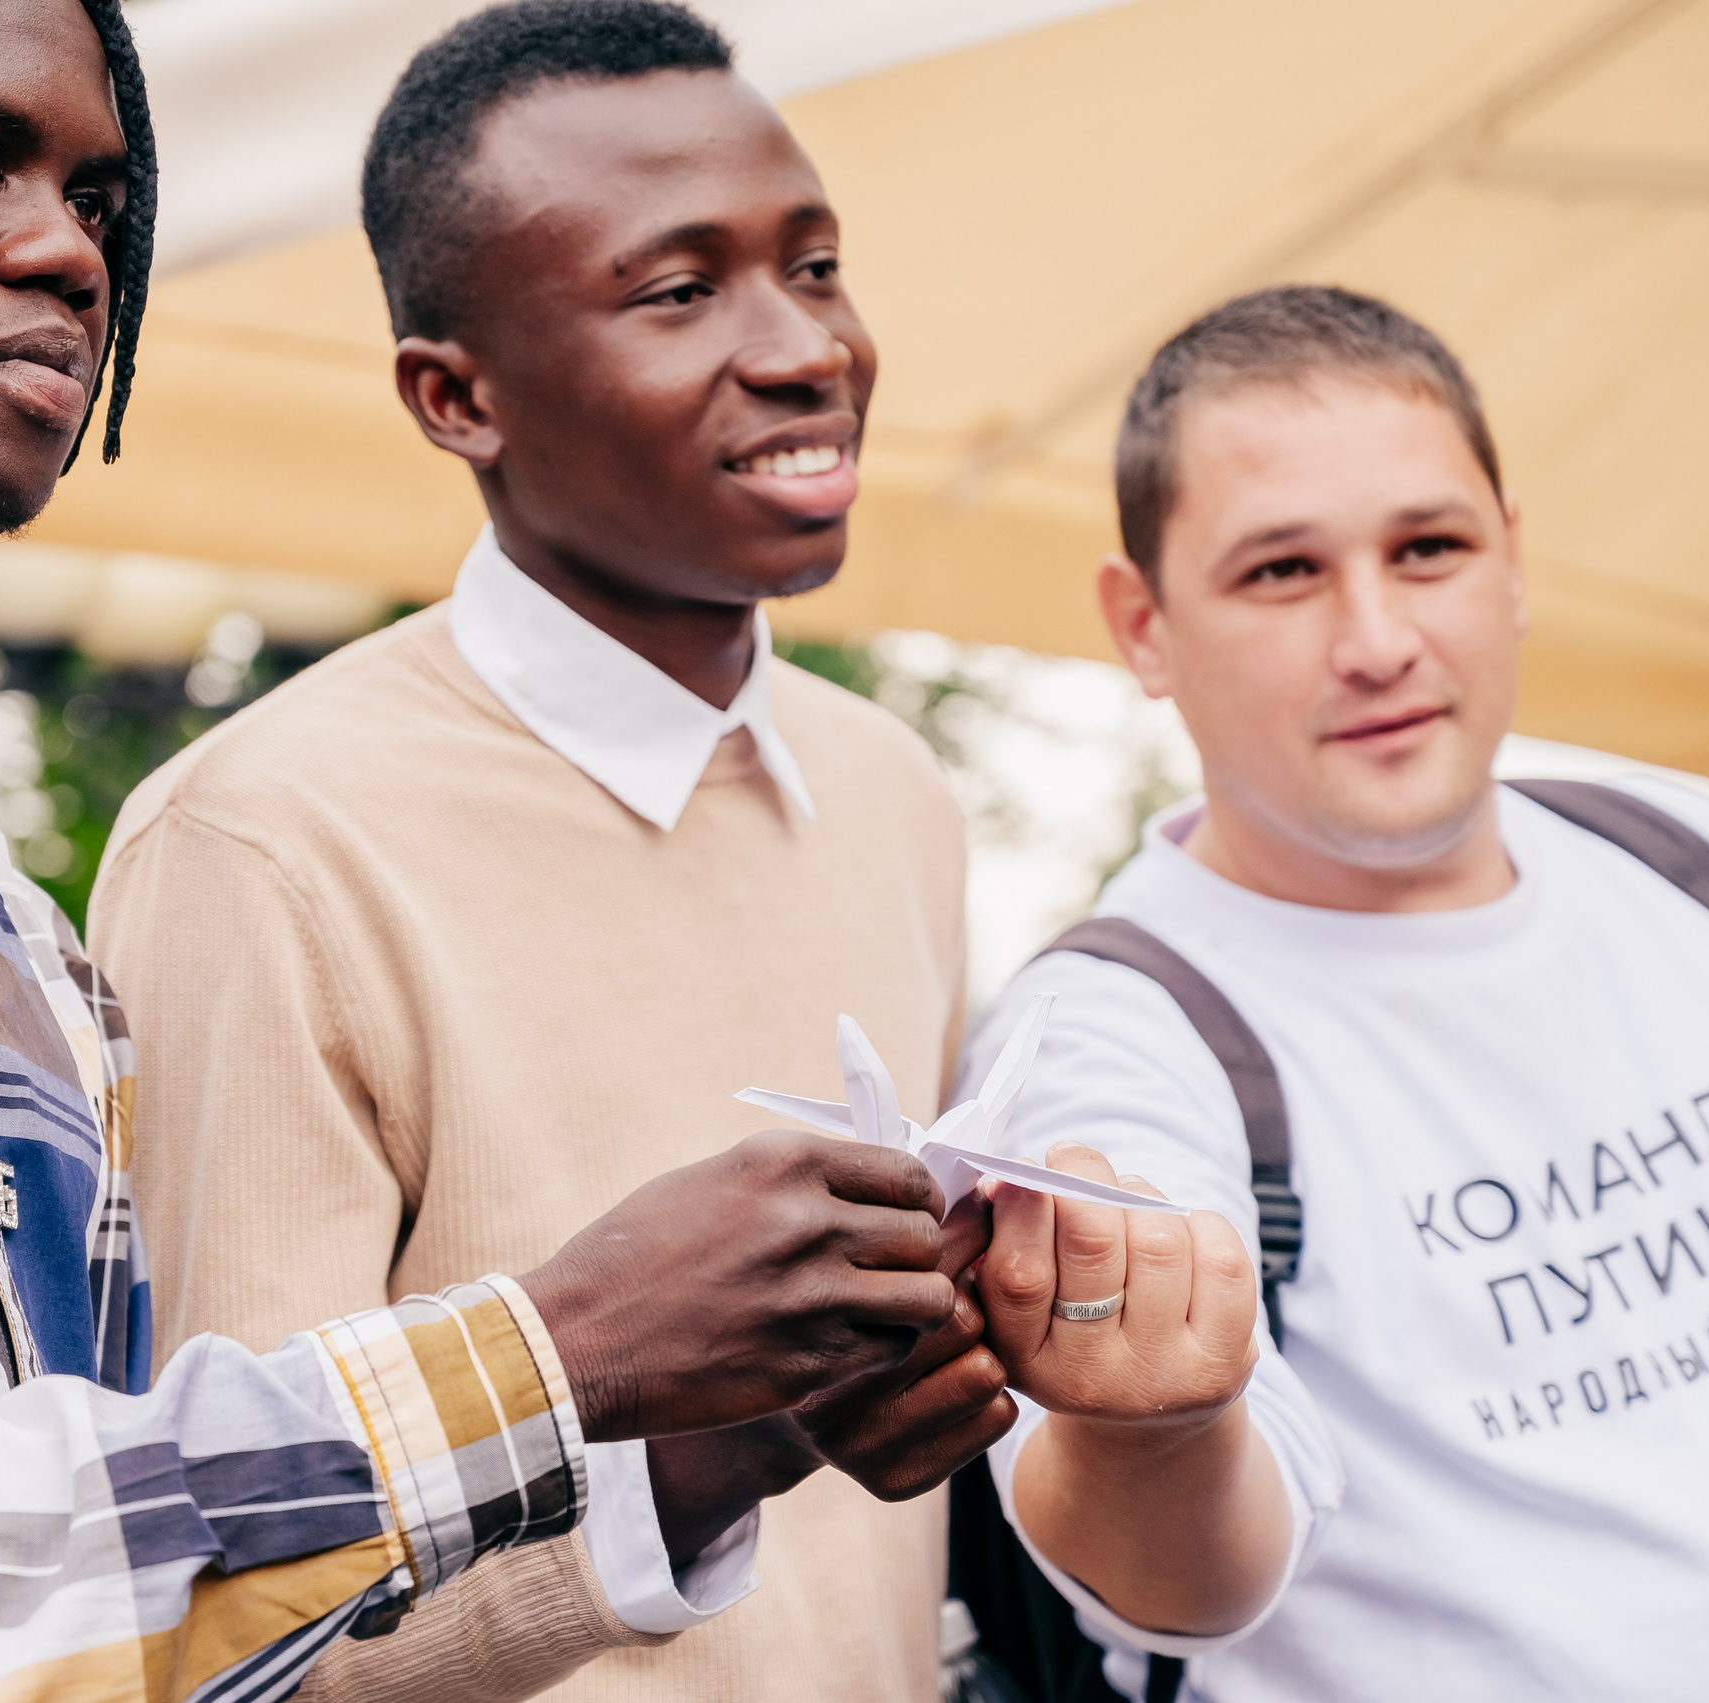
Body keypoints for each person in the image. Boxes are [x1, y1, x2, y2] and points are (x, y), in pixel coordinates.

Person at [0, 0, 983, 1695]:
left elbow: (116, 1622)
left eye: (106, 204)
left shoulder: (9, 932)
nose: (67, 250)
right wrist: (558, 1350)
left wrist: (691, 1442)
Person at [95, 7, 1262, 1699]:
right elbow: (232, 1616)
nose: (807, 349)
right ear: (457, 397)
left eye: (816, 264)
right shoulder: (260, 847)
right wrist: (693, 1468)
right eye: (678, 291)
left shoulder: (891, 795)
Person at [966, 283, 1709, 1701]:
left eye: (1429, 549)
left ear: (1513, 558)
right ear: (1143, 626)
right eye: (1282, 571)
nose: (1378, 639)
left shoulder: (1700, 860)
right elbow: (1182, 1593)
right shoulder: (1105, 1039)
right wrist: (1151, 1428)